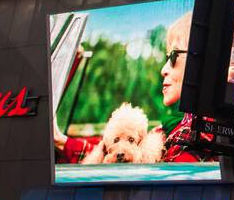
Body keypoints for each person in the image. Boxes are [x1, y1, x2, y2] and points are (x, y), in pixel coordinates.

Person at [54, 11, 208, 164]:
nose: (163, 70)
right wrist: (62, 141)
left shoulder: (197, 135)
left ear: (201, 62)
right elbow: (105, 147)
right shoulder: (173, 127)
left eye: (173, 57)